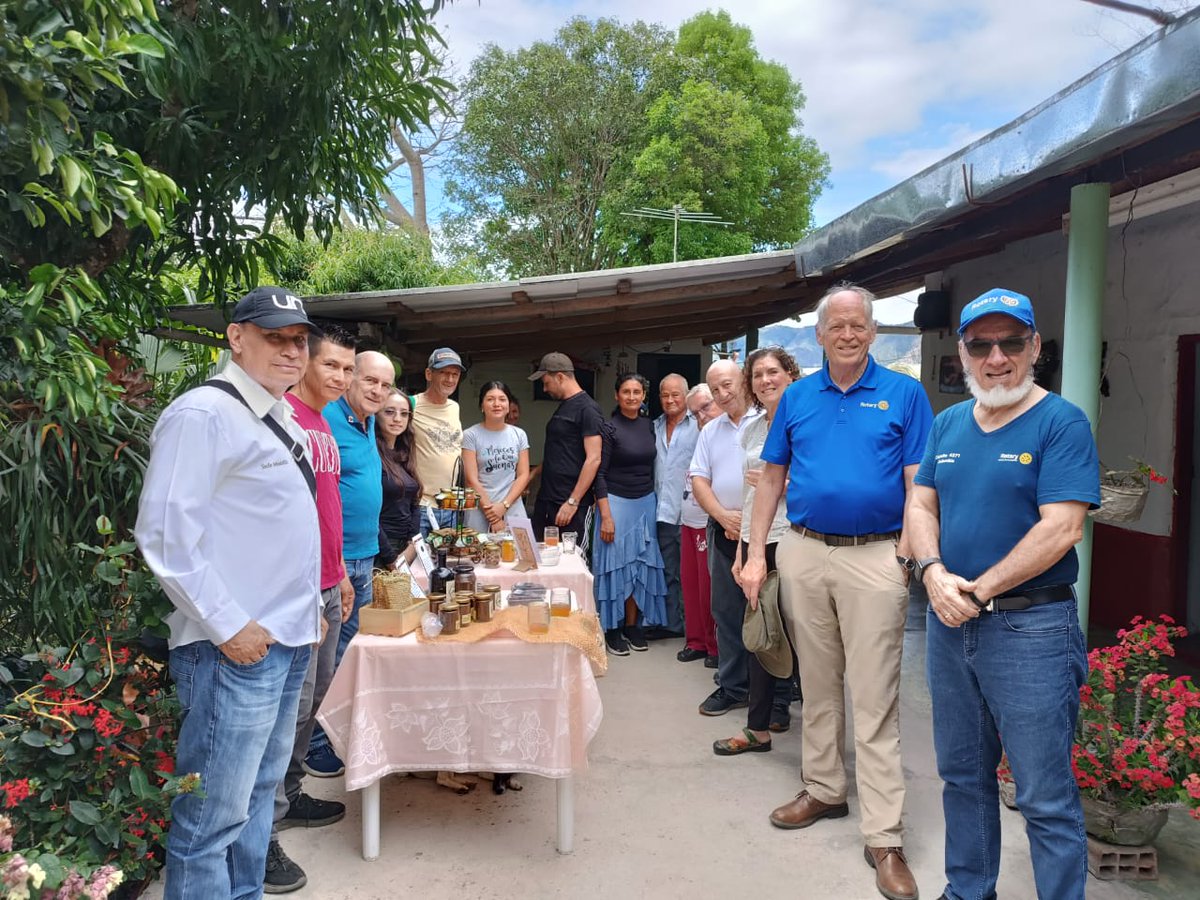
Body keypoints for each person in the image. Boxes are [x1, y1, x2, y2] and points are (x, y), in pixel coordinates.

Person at [740, 284, 932, 900]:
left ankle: (885, 836)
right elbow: (771, 477)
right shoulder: (796, 397)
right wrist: (753, 554)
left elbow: (917, 484)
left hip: (876, 554)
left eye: (859, 325)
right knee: (818, 686)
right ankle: (824, 790)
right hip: (802, 550)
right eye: (836, 326)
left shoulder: (905, 392)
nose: (848, 334)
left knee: (874, 697)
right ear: (819, 335)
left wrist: (908, 553)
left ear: (873, 332)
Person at [906, 288, 1098, 900]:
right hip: (949, 621)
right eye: (981, 344)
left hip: (1030, 630)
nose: (996, 358)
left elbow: (1063, 525)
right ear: (963, 351)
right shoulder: (950, 422)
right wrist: (933, 572)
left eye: (1011, 342)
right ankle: (968, 890)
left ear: (1034, 347)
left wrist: (978, 590)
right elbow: (920, 502)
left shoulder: (1060, 421)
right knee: (962, 775)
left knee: (1044, 794)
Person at [135, 286, 322, 900]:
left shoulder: (278, 415)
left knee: (258, 804)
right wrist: (230, 625)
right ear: (236, 336)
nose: (292, 351)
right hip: (234, 648)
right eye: (276, 337)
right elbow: (165, 536)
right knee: (211, 818)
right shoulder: (203, 414)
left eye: (299, 340)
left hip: (286, 639)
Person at [264, 324, 359, 893]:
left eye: (347, 369)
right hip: (294, 592)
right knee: (283, 714)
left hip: (327, 583)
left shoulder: (321, 421)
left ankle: (291, 796)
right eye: (332, 366)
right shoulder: (284, 419)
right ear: (305, 363)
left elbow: (326, 511)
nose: (341, 378)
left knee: (311, 704)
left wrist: (340, 573)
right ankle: (265, 834)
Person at [303, 349, 395, 778]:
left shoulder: (368, 420)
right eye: (369, 381)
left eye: (386, 384)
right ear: (351, 379)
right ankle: (318, 746)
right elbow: (321, 498)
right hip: (338, 563)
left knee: (350, 653)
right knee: (329, 661)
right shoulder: (329, 419)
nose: (378, 391)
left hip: (365, 554)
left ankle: (336, 735)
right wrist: (338, 565)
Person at [715, 347, 802, 755]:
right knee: (760, 630)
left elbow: (825, 483)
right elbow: (751, 497)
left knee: (797, 631)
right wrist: (741, 552)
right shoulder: (752, 430)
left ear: (790, 374)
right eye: (757, 375)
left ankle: (792, 717)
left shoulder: (807, 422)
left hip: (794, 538)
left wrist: (780, 486)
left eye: (773, 372)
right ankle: (759, 726)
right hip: (756, 540)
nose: (765, 380)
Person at [688, 360, 763, 715]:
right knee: (726, 610)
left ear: (743, 381)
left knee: (768, 609)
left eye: (727, 384)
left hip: (765, 531)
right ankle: (733, 686)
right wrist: (720, 515)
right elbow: (698, 479)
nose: (722, 393)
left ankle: (777, 691)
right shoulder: (710, 431)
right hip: (723, 529)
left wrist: (747, 521)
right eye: (715, 388)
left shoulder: (767, 419)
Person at [594, 373, 669, 655]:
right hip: (615, 503)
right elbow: (599, 474)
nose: (632, 396)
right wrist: (607, 515)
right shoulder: (608, 428)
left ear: (643, 396)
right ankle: (613, 628)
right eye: (626, 391)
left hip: (645, 503)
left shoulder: (650, 426)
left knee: (641, 565)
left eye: (637, 392)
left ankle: (633, 625)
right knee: (616, 567)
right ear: (617, 395)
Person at [528, 352, 604, 543]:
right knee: (542, 559)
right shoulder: (564, 406)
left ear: (560, 376)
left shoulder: (588, 409)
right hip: (547, 500)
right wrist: (532, 475)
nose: (544, 389)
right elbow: (559, 451)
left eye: (546, 383)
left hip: (570, 505)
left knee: (572, 561)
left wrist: (572, 502)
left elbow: (594, 458)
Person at [650, 374, 696, 640]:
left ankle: (695, 629)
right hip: (662, 512)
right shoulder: (654, 427)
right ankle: (673, 625)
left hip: (690, 512)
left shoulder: (699, 425)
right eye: (665, 395)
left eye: (675, 394)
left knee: (691, 575)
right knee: (668, 571)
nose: (670, 400)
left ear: (686, 395)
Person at [677, 384, 719, 666]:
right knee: (691, 586)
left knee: (710, 590)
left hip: (710, 523)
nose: (701, 416)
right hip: (688, 521)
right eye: (694, 413)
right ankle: (696, 641)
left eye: (705, 407)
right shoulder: (701, 436)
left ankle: (715, 647)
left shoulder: (730, 433)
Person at [462, 381, 532, 533]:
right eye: (490, 399)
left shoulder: (519, 434)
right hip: (480, 508)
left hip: (512, 505)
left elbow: (523, 475)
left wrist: (504, 505)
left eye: (502, 399)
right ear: (482, 405)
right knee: (477, 555)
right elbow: (471, 479)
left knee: (519, 554)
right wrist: (492, 515)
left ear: (508, 405)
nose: (497, 404)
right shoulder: (470, 435)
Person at [412, 347, 465, 536]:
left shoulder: (454, 407)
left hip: (450, 505)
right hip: (422, 505)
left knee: (448, 563)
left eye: (455, 374)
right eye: (443, 373)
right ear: (429, 374)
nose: (450, 379)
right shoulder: (411, 405)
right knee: (419, 564)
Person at [375, 388, 422, 569]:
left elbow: (414, 502)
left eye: (404, 414)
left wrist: (412, 545)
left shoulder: (404, 452)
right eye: (389, 412)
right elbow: (369, 512)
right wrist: (389, 558)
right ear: (376, 414)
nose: (397, 419)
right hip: (381, 550)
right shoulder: (372, 454)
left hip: (406, 548)